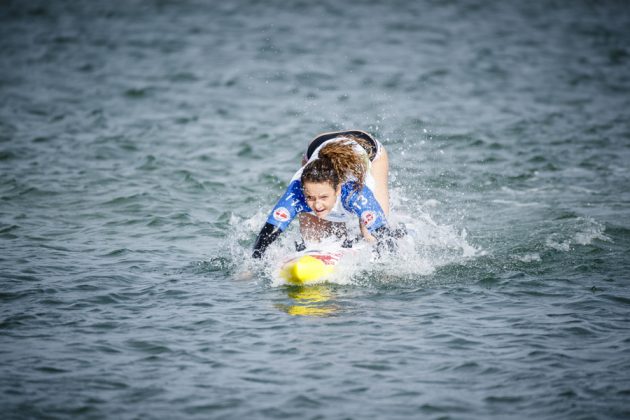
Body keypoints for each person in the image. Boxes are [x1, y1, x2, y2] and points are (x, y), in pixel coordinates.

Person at [252, 130, 399, 259]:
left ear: (338, 190)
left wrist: (388, 265)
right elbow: (268, 232)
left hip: (369, 149)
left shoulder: (355, 193)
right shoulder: (297, 192)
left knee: (369, 234)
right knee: (313, 241)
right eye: (310, 197)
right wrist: (250, 268)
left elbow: (386, 237)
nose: (317, 205)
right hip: (317, 146)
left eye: (323, 197)